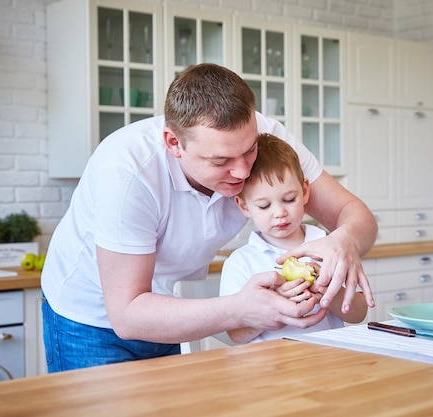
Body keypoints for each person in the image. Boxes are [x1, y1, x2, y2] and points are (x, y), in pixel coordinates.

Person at [41, 63, 377, 372]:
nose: (243, 170)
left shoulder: (267, 136)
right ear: (174, 143)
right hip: (90, 319)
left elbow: (354, 215)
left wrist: (344, 240)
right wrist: (241, 309)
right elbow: (127, 315)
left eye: (249, 151)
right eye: (220, 161)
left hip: (177, 310)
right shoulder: (128, 172)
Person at [220, 133, 368, 343]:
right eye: (264, 205)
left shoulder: (332, 248)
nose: (279, 212)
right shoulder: (241, 262)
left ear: (305, 191)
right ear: (244, 206)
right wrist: (271, 304)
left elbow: (359, 313)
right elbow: (236, 335)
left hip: (328, 364)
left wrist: (329, 292)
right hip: (270, 370)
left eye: (289, 199)